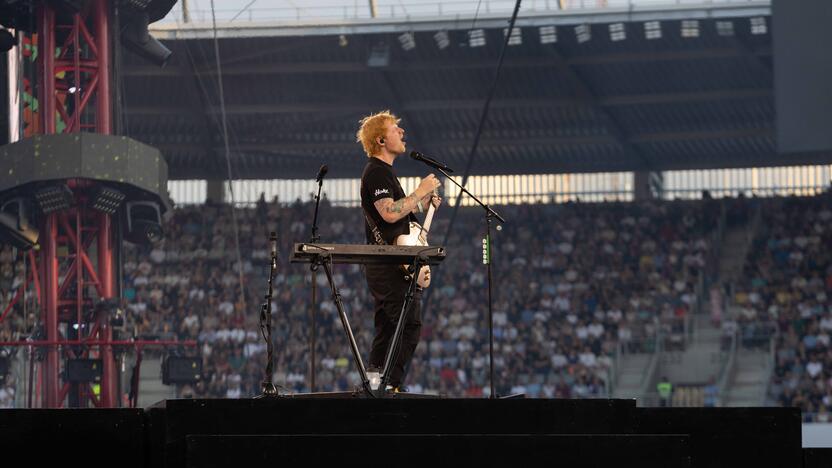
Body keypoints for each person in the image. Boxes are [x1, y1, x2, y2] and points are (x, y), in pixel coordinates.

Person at [356, 110, 441, 392]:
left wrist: (424, 206)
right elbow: (390, 214)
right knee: (408, 325)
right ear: (381, 139)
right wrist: (419, 191)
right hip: (387, 264)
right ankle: (390, 386)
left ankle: (375, 384)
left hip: (390, 262)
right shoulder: (377, 171)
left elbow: (401, 223)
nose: (402, 133)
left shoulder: (384, 172)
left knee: (387, 330)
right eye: (395, 129)